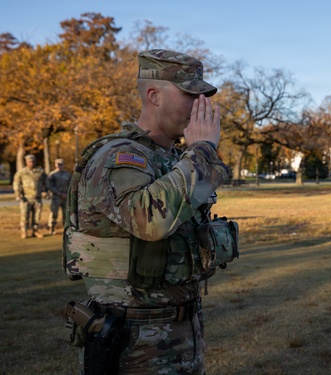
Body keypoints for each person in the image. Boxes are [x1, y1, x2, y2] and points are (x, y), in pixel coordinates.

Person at [62, 49, 235, 375]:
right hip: (133, 343)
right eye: (190, 95)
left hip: (181, 333)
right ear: (153, 95)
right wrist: (202, 151)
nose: (201, 105)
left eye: (203, 96)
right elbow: (148, 222)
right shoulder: (117, 155)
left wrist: (199, 156)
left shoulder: (173, 160)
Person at [13, 154, 47, 239]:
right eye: (29, 161)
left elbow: (46, 182)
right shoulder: (21, 172)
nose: (31, 163)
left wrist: (47, 192)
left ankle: (35, 231)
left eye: (32, 161)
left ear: (35, 161)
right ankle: (24, 231)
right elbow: (17, 183)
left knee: (37, 217)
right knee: (25, 216)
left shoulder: (40, 172)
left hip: (37, 198)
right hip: (26, 198)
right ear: (26, 162)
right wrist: (18, 194)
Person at [46, 158, 71, 235]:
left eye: (61, 164)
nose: (59, 166)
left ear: (63, 165)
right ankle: (52, 228)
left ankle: (66, 229)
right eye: (58, 164)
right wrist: (59, 193)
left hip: (66, 197)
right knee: (54, 213)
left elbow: (71, 185)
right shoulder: (52, 175)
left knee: (66, 213)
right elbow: (50, 186)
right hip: (56, 197)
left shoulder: (68, 174)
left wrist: (67, 194)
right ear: (55, 165)